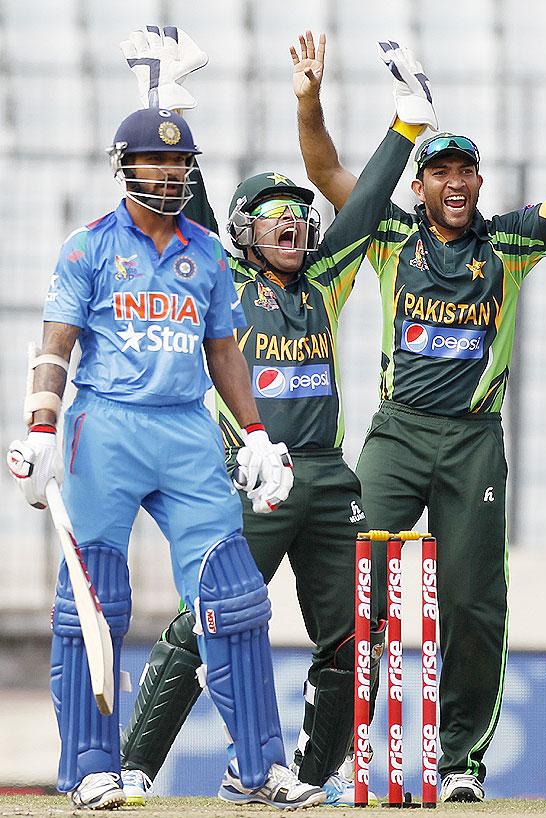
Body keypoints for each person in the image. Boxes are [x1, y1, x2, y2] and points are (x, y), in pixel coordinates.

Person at [296, 61, 546, 802]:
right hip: (395, 436)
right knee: (355, 587)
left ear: (479, 184)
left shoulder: (510, 243)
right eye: (441, 171)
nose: (456, 182)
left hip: (473, 442)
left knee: (471, 601)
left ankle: (459, 762)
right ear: (419, 184)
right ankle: (328, 757)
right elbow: (327, 168)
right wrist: (310, 99)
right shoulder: (390, 234)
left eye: (467, 171)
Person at [115, 28, 436, 808]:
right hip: (253, 476)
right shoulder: (216, 273)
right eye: (273, 219)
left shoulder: (324, 281)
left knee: (352, 641)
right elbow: (179, 192)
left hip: (329, 479)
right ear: (241, 231)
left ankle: (306, 779)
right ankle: (131, 769)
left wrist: (406, 128)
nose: (291, 228)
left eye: (298, 217)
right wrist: (161, 101)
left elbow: (360, 211)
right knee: (209, 625)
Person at [5, 104, 322, 811]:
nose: (173, 173)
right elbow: (56, 347)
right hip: (106, 426)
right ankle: (92, 767)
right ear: (127, 167)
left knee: (235, 597)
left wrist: (257, 433)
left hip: (185, 431)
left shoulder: (207, 251)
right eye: (158, 161)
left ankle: (257, 768)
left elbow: (223, 351)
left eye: (181, 163)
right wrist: (40, 431)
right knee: (94, 599)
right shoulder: (87, 248)